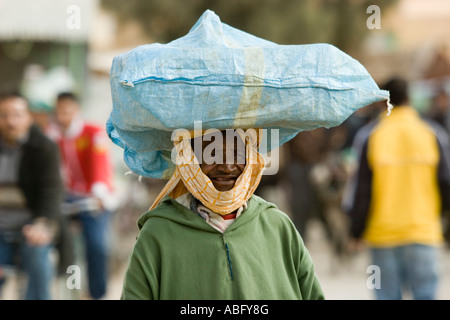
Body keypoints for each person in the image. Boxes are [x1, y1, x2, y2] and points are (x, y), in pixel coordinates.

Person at [121, 128, 325, 300]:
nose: (227, 167)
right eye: (212, 154)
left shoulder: (278, 226)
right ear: (189, 160)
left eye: (238, 154)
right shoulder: (157, 234)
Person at [343, 77, 450, 300]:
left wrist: (356, 230)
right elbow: (446, 184)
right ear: (409, 99)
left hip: (382, 237)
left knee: (385, 294)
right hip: (424, 233)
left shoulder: (370, 136)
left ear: (383, 102)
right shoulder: (432, 133)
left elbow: (361, 189)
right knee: (425, 294)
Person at [0, 92, 64, 299]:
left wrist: (43, 224)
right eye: (4, 115)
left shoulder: (45, 148)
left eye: (17, 115)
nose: (11, 121)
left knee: (38, 255)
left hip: (30, 228)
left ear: (28, 117)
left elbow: (51, 191)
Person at [54, 92, 117, 300]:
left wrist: (98, 194)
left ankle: (97, 294)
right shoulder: (56, 137)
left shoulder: (92, 132)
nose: (63, 117)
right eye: (59, 112)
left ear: (76, 110)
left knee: (96, 245)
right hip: (69, 198)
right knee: (60, 242)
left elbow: (99, 165)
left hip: (94, 199)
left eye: (67, 111)